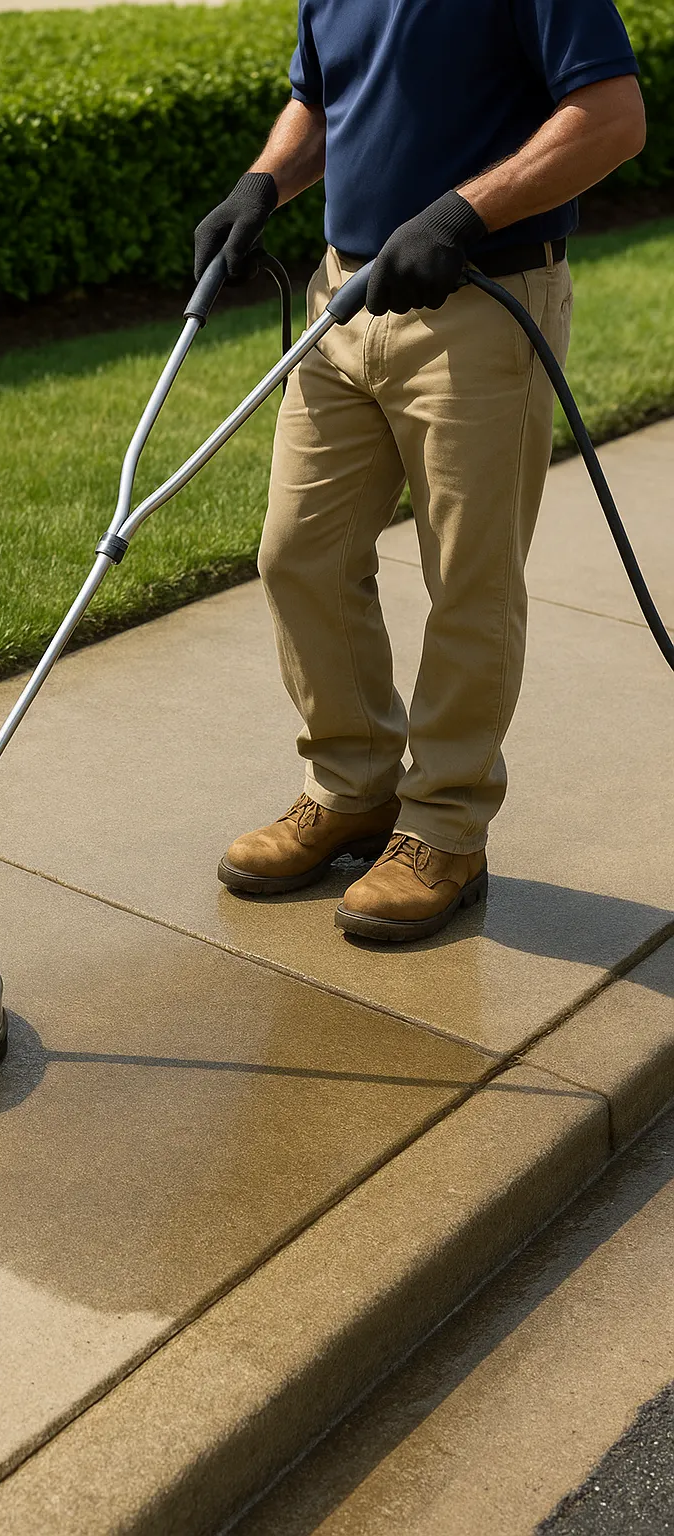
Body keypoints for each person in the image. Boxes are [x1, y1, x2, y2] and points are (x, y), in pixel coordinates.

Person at [196, 0, 646, 942]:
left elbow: (611, 117)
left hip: (481, 299)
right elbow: (323, 100)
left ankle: (445, 827)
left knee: (469, 579)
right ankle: (352, 787)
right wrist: (262, 183)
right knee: (297, 553)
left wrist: (460, 212)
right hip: (341, 300)